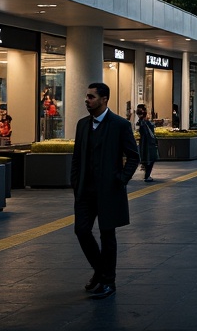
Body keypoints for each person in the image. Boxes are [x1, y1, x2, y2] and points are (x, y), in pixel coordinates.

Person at [71, 82, 139, 299]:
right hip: (85, 191)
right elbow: (77, 157)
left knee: (107, 234)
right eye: (87, 97)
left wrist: (121, 179)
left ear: (104, 99)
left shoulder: (119, 124)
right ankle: (101, 272)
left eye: (91, 97)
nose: (87, 100)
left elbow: (133, 156)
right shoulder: (82, 125)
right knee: (81, 230)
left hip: (109, 191)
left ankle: (108, 281)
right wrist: (75, 183)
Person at [136, 104, 159, 182]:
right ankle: (147, 175)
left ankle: (147, 174)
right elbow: (148, 134)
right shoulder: (145, 123)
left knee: (147, 159)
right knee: (150, 158)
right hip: (148, 143)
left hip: (144, 143)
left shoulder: (141, 122)